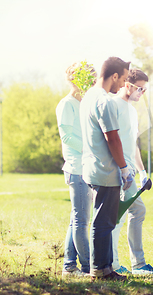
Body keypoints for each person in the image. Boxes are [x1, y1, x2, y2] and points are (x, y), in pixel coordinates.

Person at [80, 56, 133, 281]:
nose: (123, 84)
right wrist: (123, 168)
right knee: (104, 222)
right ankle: (100, 270)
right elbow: (112, 138)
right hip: (105, 170)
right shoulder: (104, 101)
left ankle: (106, 268)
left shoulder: (88, 96)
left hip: (92, 167)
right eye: (123, 79)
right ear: (114, 76)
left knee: (105, 221)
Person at [111, 68, 153, 275]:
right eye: (140, 88)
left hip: (130, 171)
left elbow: (133, 144)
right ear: (127, 84)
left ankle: (133, 264)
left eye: (145, 89)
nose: (142, 93)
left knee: (133, 212)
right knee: (117, 216)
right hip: (117, 170)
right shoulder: (113, 105)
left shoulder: (131, 110)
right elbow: (110, 140)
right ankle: (118, 264)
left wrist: (142, 171)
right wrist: (122, 169)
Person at [56, 63, 95, 277]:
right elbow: (67, 137)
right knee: (81, 221)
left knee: (76, 218)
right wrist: (91, 148)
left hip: (86, 167)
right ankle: (89, 267)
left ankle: (69, 267)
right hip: (77, 168)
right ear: (76, 80)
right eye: (88, 79)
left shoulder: (84, 104)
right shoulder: (66, 104)